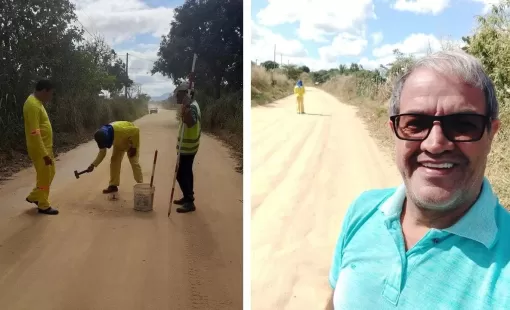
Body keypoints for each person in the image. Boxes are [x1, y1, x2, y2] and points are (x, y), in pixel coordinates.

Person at [327, 50, 510, 309]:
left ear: (491, 135)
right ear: (395, 132)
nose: (435, 144)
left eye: (463, 124)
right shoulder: (364, 210)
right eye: (416, 123)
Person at [24, 79, 59, 215]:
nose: (50, 97)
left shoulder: (38, 103)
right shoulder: (32, 105)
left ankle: (35, 196)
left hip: (45, 147)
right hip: (39, 149)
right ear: (44, 91)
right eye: (50, 94)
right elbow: (34, 132)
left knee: (51, 172)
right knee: (44, 177)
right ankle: (43, 205)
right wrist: (44, 154)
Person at [86, 121, 143, 193]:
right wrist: (93, 165)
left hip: (130, 142)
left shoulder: (120, 130)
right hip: (118, 144)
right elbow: (102, 153)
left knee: (134, 162)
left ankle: (141, 185)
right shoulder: (102, 137)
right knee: (114, 162)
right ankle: (113, 185)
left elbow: (136, 130)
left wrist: (134, 147)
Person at [172, 82, 201, 213]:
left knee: (180, 174)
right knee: (186, 173)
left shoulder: (192, 107)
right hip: (188, 147)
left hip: (188, 148)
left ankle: (189, 201)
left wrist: (187, 108)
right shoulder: (189, 105)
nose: (176, 97)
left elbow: (190, 123)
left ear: (186, 94)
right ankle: (187, 196)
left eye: (178, 94)